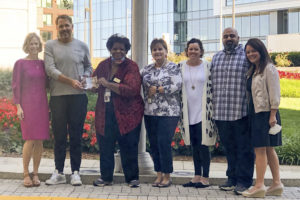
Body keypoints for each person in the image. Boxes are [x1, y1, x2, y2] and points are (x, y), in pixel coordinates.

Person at [44, 15, 92, 186]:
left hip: (78, 98)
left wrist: (86, 77)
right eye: (61, 26)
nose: (64, 29)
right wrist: (70, 81)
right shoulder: (50, 45)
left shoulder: (82, 46)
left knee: (76, 136)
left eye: (67, 25)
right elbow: (50, 69)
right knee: (59, 136)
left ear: (73, 26)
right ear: (57, 28)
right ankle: (58, 172)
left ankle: (75, 173)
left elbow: (88, 66)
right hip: (58, 97)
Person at [92, 34, 144, 188]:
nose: (118, 51)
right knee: (105, 146)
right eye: (115, 48)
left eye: (121, 49)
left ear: (126, 50)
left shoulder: (131, 66)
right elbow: (94, 82)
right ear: (110, 49)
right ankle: (106, 177)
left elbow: (132, 89)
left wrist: (108, 84)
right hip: (105, 112)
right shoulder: (102, 65)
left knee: (129, 146)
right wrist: (93, 86)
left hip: (128, 115)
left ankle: (132, 178)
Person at [211, 27, 255, 194]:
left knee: (244, 148)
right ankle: (232, 178)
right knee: (229, 148)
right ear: (222, 39)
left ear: (238, 38)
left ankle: (244, 181)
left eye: (232, 36)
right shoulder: (216, 58)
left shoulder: (247, 56)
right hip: (221, 112)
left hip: (241, 111)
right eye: (225, 36)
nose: (229, 38)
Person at [242, 38, 283, 198]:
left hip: (266, 114)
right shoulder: (253, 69)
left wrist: (273, 115)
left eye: (253, 51)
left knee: (259, 150)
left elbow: (275, 92)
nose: (250, 54)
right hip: (257, 113)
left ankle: (259, 185)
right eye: (248, 52)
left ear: (261, 51)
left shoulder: (269, 69)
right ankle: (277, 183)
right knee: (268, 149)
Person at [141, 38, 182, 188]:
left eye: (160, 49)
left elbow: (176, 85)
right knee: (154, 144)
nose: (157, 52)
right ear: (151, 53)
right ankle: (158, 173)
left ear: (166, 51)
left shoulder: (173, 67)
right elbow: (137, 80)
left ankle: (167, 175)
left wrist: (158, 89)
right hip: (150, 111)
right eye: (154, 49)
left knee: (164, 143)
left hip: (169, 112)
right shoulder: (147, 69)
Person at [12, 33, 49, 187]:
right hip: (27, 105)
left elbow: (48, 84)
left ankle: (35, 173)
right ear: (27, 45)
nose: (34, 46)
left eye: (36, 43)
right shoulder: (20, 63)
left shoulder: (43, 64)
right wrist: (18, 106)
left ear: (40, 46)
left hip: (41, 104)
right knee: (30, 138)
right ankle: (26, 174)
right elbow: (16, 86)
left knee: (39, 139)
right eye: (31, 44)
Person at [180, 38, 217, 188]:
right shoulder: (180, 66)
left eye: (196, 49)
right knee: (194, 145)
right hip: (188, 111)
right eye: (191, 49)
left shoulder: (208, 66)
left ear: (201, 51)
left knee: (203, 145)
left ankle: (205, 178)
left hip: (204, 111)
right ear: (187, 51)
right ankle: (196, 176)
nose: (193, 51)